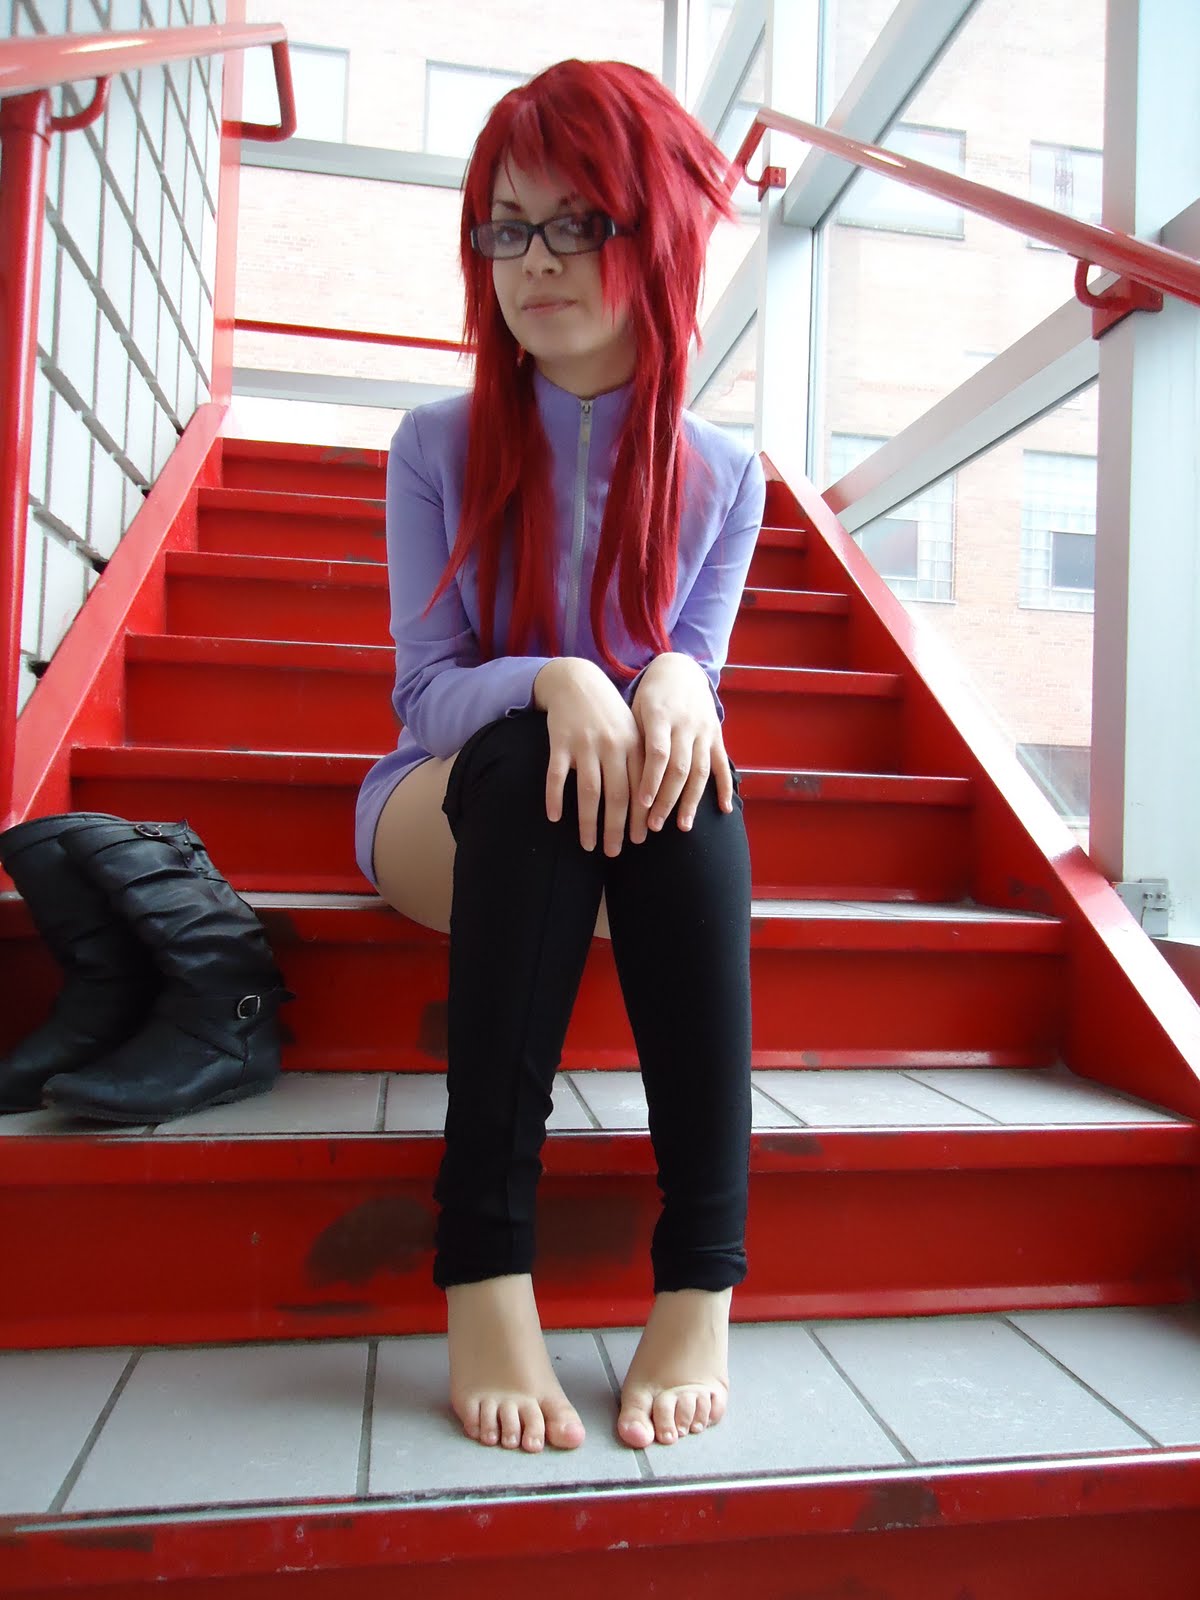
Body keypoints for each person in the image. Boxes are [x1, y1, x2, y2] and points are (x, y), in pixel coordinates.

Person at [354, 58, 766, 1456]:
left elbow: (695, 669)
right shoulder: (437, 445)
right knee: (537, 757)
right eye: (505, 227)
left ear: (660, 234)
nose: (531, 261)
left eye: (575, 222)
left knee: (699, 796)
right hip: (443, 812)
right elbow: (426, 694)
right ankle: (483, 1264)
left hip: (625, 827)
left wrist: (682, 680)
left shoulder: (725, 474)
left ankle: (703, 1276)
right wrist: (562, 675)